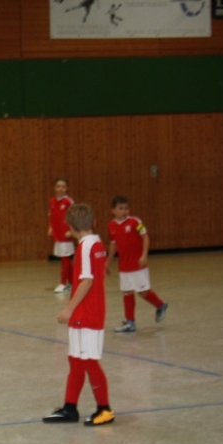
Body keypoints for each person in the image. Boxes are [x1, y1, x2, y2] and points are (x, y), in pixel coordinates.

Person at [43, 202, 114, 426]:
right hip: (87, 313)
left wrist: (68, 309)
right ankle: (70, 408)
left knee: (90, 362)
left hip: (87, 314)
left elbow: (86, 281)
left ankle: (105, 409)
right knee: (75, 360)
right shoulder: (97, 244)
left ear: (71, 228)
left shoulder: (85, 248)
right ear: (94, 222)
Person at [105, 195, 168, 333]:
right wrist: (107, 262)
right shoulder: (111, 226)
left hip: (138, 265)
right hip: (124, 266)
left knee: (143, 292)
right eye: (121, 208)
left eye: (126, 208)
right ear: (113, 210)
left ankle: (160, 305)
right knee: (127, 292)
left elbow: (145, 237)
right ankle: (130, 322)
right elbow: (113, 245)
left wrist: (144, 255)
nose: (124, 211)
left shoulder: (135, 222)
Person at [48, 177, 75, 293]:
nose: (61, 189)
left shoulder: (68, 201)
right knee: (65, 259)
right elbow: (51, 216)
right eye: (58, 186)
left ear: (67, 188)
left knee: (65, 259)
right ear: (54, 188)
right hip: (57, 235)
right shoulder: (52, 201)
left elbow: (74, 217)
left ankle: (63, 283)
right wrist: (50, 228)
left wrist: (72, 231)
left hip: (66, 235)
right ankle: (72, 283)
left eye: (63, 187)